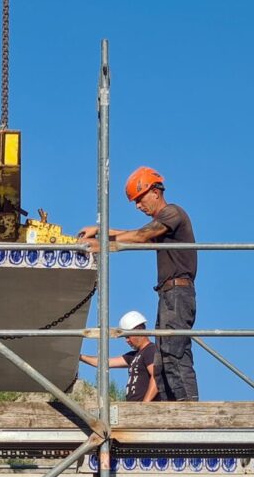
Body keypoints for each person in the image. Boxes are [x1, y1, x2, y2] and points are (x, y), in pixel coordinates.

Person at [79, 166, 199, 401]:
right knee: (164, 355)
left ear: (155, 191)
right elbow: (138, 235)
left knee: (174, 353)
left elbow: (141, 235)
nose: (138, 206)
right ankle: (173, 406)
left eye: (139, 199)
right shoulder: (163, 226)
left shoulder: (172, 213)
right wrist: (103, 232)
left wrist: (101, 242)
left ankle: (188, 408)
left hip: (177, 293)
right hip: (169, 294)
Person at [79, 311, 159, 402]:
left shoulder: (150, 350)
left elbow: (156, 376)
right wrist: (80, 357)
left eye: (128, 336)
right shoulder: (133, 356)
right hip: (134, 406)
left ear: (139, 330)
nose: (127, 340)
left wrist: (145, 404)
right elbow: (105, 363)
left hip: (144, 407)